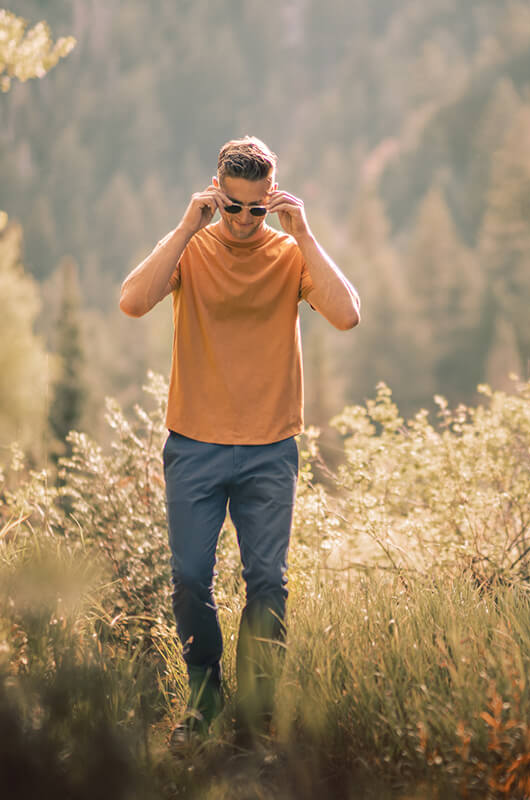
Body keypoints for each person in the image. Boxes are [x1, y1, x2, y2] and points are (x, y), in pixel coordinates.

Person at [119, 136, 360, 745]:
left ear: (272, 199)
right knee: (191, 579)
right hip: (194, 444)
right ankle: (203, 700)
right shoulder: (190, 247)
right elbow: (132, 301)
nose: (247, 221)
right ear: (215, 194)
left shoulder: (287, 251)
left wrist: (304, 233)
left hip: (271, 447)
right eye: (234, 207)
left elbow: (348, 313)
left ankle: (254, 718)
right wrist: (184, 227)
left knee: (268, 584)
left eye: (258, 208)